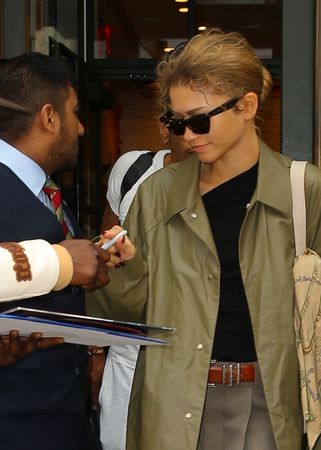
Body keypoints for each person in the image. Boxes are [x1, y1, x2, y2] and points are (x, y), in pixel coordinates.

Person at [88, 29, 321, 450]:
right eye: (176, 122)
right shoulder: (158, 192)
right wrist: (122, 267)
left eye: (200, 119)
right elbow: (123, 316)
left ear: (247, 105)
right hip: (172, 401)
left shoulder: (303, 190)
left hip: (272, 406)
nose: (188, 135)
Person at [0, 52, 119, 450]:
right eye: (75, 112)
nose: (82, 128)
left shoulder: (46, 191)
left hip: (63, 416)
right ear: (50, 117)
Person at [97, 121, 191, 450]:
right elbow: (105, 257)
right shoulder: (132, 170)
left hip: (193, 354)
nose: (196, 135)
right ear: (164, 129)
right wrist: (96, 350)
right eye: (184, 124)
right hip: (129, 351)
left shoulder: (228, 180)